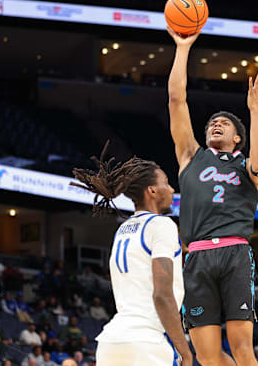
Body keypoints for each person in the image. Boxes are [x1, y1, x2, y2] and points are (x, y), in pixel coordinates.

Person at [167, 26, 258, 366]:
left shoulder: (245, 165)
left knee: (243, 349)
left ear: (238, 138)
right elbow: (177, 100)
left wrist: (255, 111)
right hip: (196, 258)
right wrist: (183, 48)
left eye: (225, 123)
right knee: (207, 357)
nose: (216, 124)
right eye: (212, 122)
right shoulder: (190, 156)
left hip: (234, 253)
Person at [70, 144, 192, 366]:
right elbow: (162, 295)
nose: (172, 190)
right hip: (146, 342)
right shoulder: (162, 225)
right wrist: (185, 351)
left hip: (111, 342)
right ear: (152, 190)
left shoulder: (123, 230)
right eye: (166, 183)